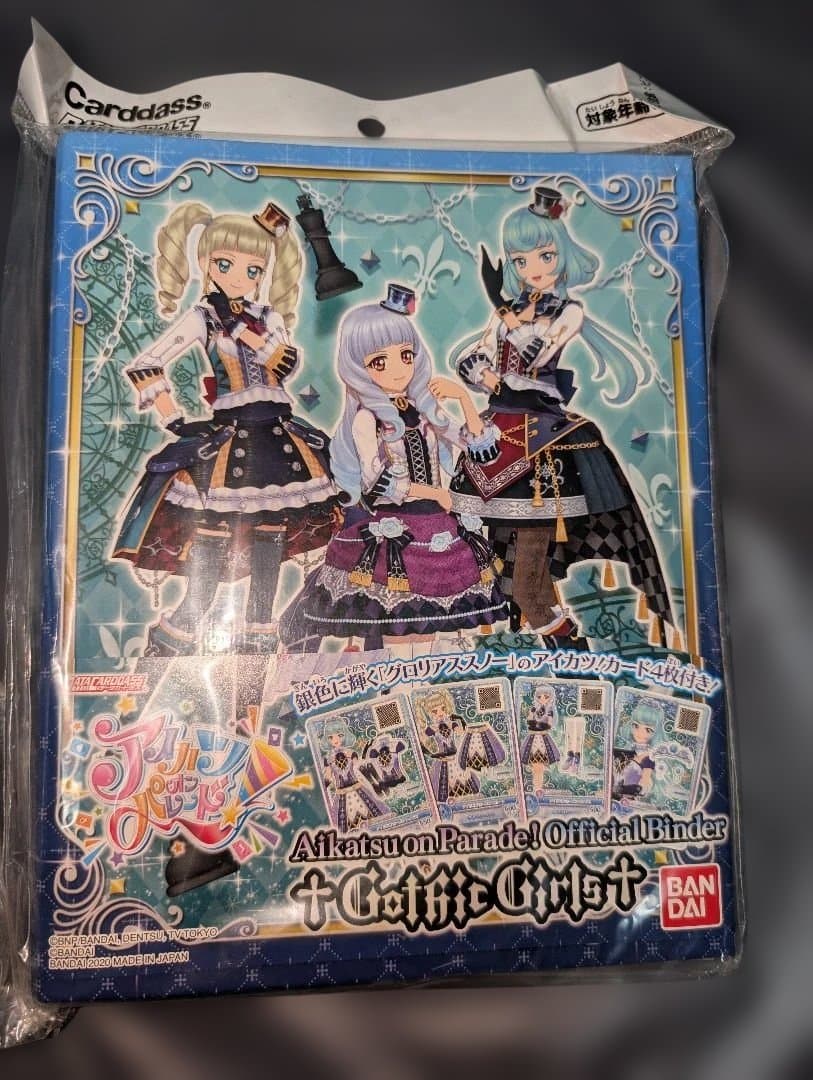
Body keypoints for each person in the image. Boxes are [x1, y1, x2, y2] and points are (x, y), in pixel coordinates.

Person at [449, 186, 675, 647]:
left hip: (543, 436)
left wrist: (509, 336)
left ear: (563, 255)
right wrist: (488, 368)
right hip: (498, 430)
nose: (533, 269)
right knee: (510, 566)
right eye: (520, 260)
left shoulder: (568, 311)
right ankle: (562, 643)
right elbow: (472, 357)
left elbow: (537, 357)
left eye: (545, 256)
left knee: (528, 575)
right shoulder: (507, 312)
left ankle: (568, 644)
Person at [113, 201, 341, 655]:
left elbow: (283, 363)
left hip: (278, 437)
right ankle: (168, 648)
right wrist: (173, 417)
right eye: (225, 264)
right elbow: (146, 363)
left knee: (270, 544)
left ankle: (257, 651)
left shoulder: (268, 318)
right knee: (211, 550)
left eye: (253, 270)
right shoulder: (202, 317)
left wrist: (242, 327)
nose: (240, 277)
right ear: (205, 263)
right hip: (231, 442)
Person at [280, 286, 508, 651]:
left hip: (439, 529)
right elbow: (378, 482)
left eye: (406, 355)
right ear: (358, 367)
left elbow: (481, 450)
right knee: (401, 633)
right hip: (396, 532)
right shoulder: (366, 419)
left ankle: (416, 686)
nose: (399, 369)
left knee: (426, 633)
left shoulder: (425, 410)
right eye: (379, 362)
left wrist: (464, 398)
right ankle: (389, 685)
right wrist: (435, 492)